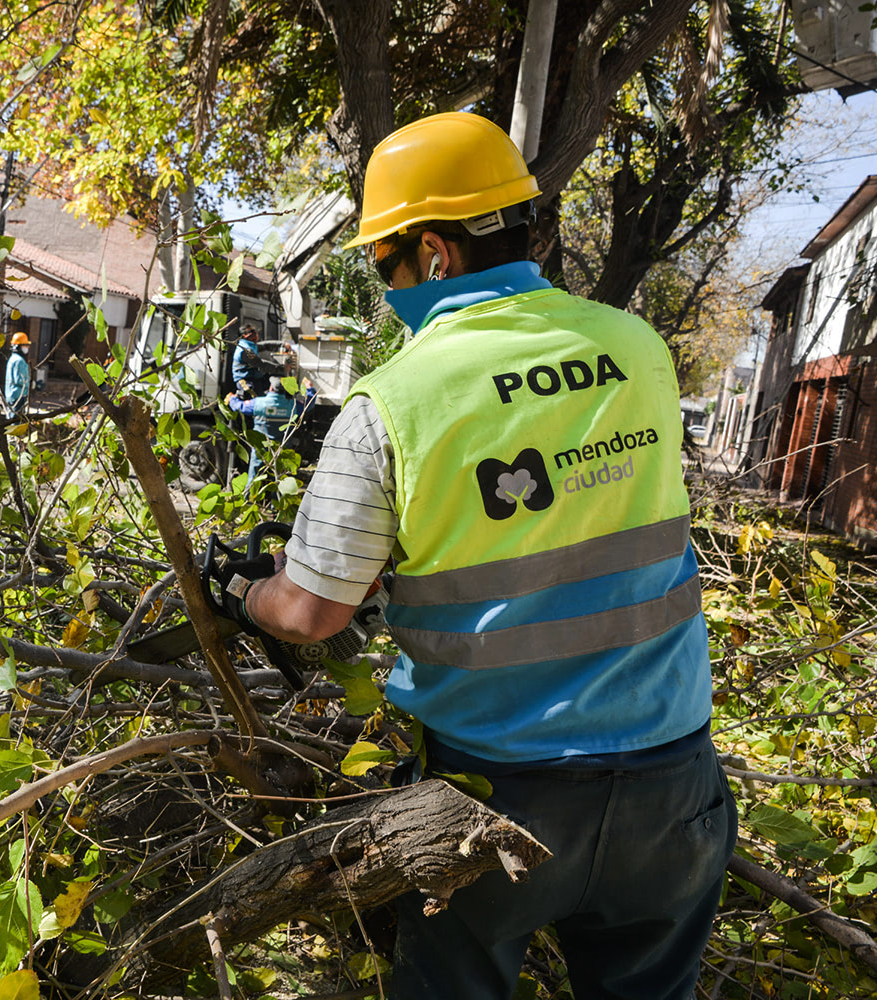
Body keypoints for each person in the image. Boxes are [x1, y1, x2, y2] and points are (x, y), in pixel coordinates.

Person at [221, 112, 735, 1000]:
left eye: (383, 265)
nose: (386, 288)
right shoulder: (636, 348)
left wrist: (240, 591)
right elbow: (582, 514)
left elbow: (308, 615)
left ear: (431, 253)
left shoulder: (394, 402)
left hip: (494, 802)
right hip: (671, 782)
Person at [225, 376, 315, 483]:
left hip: (261, 449)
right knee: (278, 479)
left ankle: (249, 498)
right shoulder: (292, 406)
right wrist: (310, 389)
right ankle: (274, 498)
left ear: (271, 388)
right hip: (281, 450)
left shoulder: (258, 403)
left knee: (254, 478)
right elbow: (309, 403)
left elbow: (239, 406)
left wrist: (232, 399)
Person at [231, 325, 272, 397]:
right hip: (246, 381)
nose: (256, 333)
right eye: (252, 331)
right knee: (254, 401)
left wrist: (283, 344)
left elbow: (266, 345)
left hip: (254, 379)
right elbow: (260, 363)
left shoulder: (251, 345)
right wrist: (281, 368)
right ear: (244, 336)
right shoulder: (246, 350)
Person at [4, 331, 31, 417]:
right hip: (18, 395)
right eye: (25, 345)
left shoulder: (12, 359)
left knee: (10, 418)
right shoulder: (19, 361)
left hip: (10, 394)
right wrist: (33, 384)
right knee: (17, 422)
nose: (27, 348)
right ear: (18, 346)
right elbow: (21, 380)